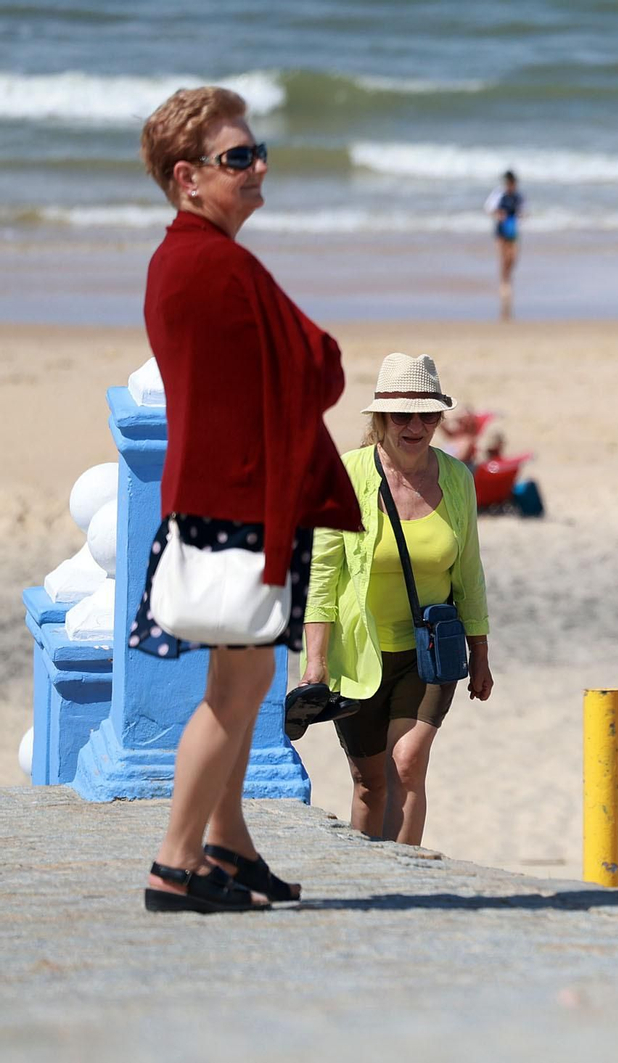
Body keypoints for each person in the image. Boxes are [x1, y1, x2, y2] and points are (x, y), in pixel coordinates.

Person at [135, 87, 362, 912]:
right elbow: (319, 364)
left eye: (257, 149)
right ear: (189, 177)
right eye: (239, 158)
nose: (258, 165)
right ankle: (174, 862)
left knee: (235, 680)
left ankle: (227, 847)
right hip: (234, 506)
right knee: (237, 693)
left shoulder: (177, 258)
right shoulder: (217, 263)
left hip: (208, 498)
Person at [299, 353, 494, 846]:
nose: (416, 425)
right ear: (380, 418)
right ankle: (369, 877)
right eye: (402, 415)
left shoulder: (457, 479)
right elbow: (321, 577)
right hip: (358, 655)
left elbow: (468, 571)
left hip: (429, 653)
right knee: (370, 784)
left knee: (406, 764)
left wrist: (482, 653)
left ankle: (409, 876)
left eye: (428, 414)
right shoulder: (344, 476)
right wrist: (315, 666)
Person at [484, 170, 523, 320]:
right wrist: (498, 214)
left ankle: (507, 279)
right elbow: (488, 208)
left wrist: (519, 217)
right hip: (501, 230)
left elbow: (523, 211)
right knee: (503, 257)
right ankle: (504, 283)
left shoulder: (518, 196)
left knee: (512, 257)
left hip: (513, 230)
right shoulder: (498, 194)